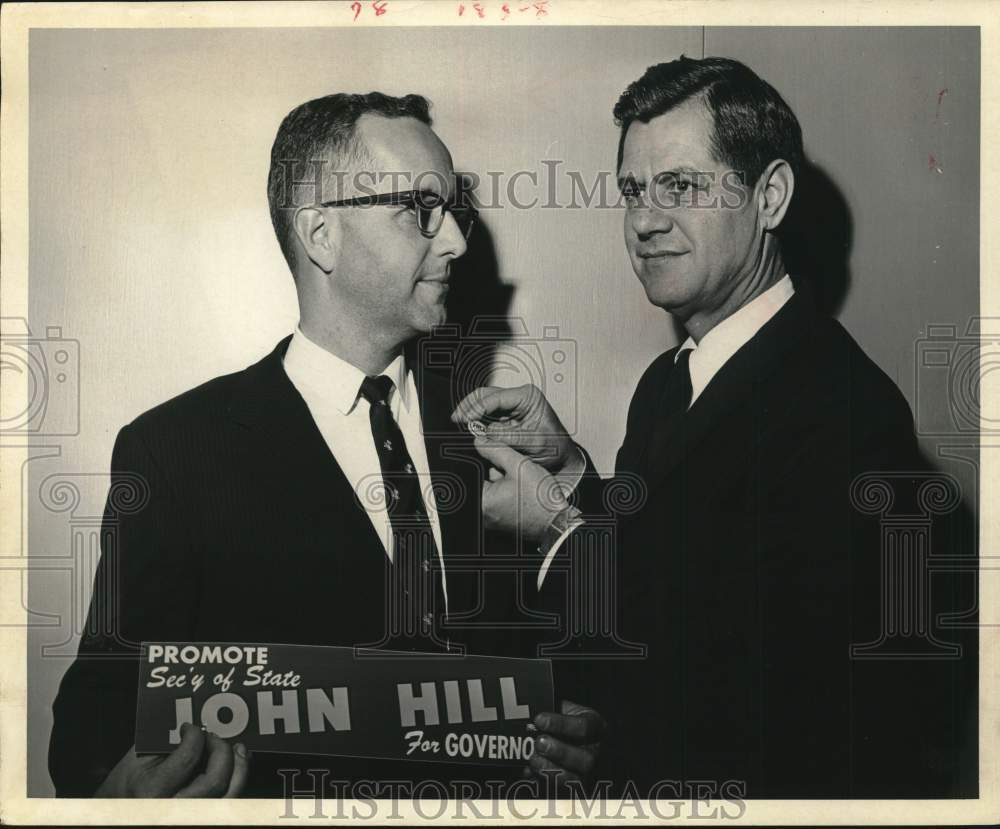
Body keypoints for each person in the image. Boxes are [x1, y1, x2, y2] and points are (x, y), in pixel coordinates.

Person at [48, 92, 603, 798]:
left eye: (455, 210)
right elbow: (89, 735)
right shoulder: (176, 452)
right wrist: (125, 790)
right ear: (320, 234)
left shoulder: (491, 444)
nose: (458, 241)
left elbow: (578, 659)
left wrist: (579, 736)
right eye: (420, 208)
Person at [453, 57, 975, 797]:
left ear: (770, 197)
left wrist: (558, 528)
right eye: (632, 190)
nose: (643, 220)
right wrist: (569, 470)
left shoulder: (844, 408)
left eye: (682, 186)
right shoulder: (668, 383)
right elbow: (676, 569)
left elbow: (773, 697)